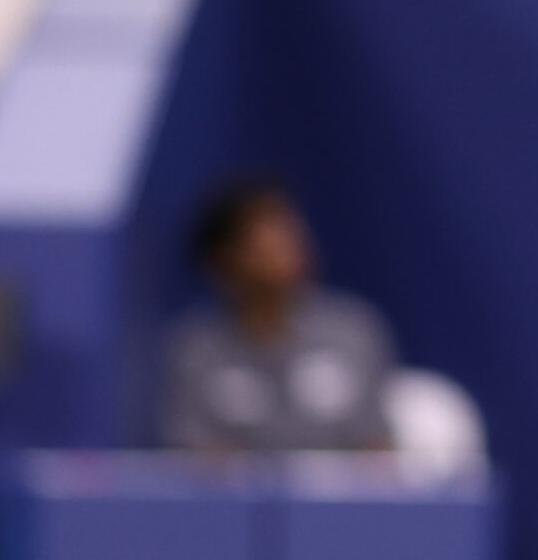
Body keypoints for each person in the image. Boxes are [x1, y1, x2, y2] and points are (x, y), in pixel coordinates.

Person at [160, 178, 398, 454]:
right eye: (266, 235)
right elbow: (195, 457)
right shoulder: (195, 349)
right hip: (239, 497)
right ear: (223, 258)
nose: (287, 246)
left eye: (290, 231)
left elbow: (377, 449)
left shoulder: (352, 332)